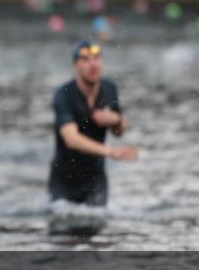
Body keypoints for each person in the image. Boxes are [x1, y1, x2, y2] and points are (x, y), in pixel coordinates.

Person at [48, 40, 138, 207]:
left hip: (95, 178)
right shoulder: (64, 94)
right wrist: (112, 152)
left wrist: (117, 120)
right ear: (76, 65)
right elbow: (71, 139)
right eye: (86, 59)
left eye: (97, 58)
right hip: (64, 178)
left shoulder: (109, 89)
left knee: (97, 226)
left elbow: (120, 131)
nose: (93, 64)